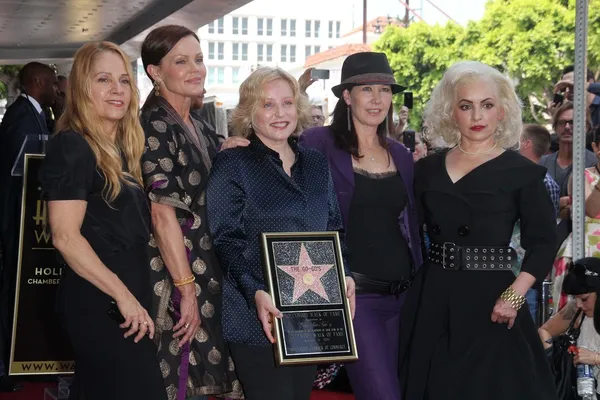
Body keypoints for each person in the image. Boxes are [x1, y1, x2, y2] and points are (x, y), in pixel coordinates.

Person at [399, 61, 558, 400]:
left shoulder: (522, 172)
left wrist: (514, 296)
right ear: (451, 112)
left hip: (493, 300)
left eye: (487, 105)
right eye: (465, 106)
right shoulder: (426, 170)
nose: (477, 116)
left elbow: (544, 242)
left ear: (501, 111)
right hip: (434, 295)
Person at [206, 66, 355, 400]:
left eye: (287, 103)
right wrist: (256, 290)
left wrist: (343, 273)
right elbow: (225, 238)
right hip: (255, 316)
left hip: (310, 313)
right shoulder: (234, 163)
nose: (280, 113)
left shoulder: (316, 164)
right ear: (249, 111)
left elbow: (333, 228)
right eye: (267, 104)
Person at [39, 41, 166, 400]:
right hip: (100, 301)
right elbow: (65, 237)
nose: (117, 90)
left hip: (123, 296)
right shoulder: (72, 146)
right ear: (82, 88)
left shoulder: (122, 149)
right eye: (104, 80)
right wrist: (123, 296)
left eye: (124, 81)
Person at [300, 52, 422, 400]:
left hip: (405, 296)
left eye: (384, 90)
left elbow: (411, 224)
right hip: (356, 300)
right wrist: (242, 146)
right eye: (366, 89)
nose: (377, 99)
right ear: (347, 96)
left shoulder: (400, 153)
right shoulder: (318, 143)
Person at [139, 25, 243, 400]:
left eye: (198, 59)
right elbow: (161, 213)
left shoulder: (197, 124)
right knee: (185, 380)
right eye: (180, 61)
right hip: (175, 274)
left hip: (208, 271)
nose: (195, 68)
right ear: (155, 72)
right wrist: (186, 290)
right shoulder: (154, 123)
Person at [0, 61, 58, 392]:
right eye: (51, 83)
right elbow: (20, 167)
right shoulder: (22, 115)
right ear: (38, 81)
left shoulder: (34, 113)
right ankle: (6, 364)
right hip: (15, 216)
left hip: (26, 215)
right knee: (11, 289)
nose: (55, 89)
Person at [511, 124, 560, 322]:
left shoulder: (541, 182)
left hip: (524, 269)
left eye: (517, 139)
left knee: (523, 325)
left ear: (526, 143)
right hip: (516, 267)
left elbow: (545, 231)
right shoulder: (545, 180)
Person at [552, 125, 600, 311]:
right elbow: (591, 209)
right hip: (583, 251)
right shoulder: (582, 176)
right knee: (574, 315)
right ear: (596, 147)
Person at [539, 258, 600, 398]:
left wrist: (596, 358)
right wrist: (552, 362)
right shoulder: (575, 310)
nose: (578, 304)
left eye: (584, 299)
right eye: (575, 298)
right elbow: (544, 331)